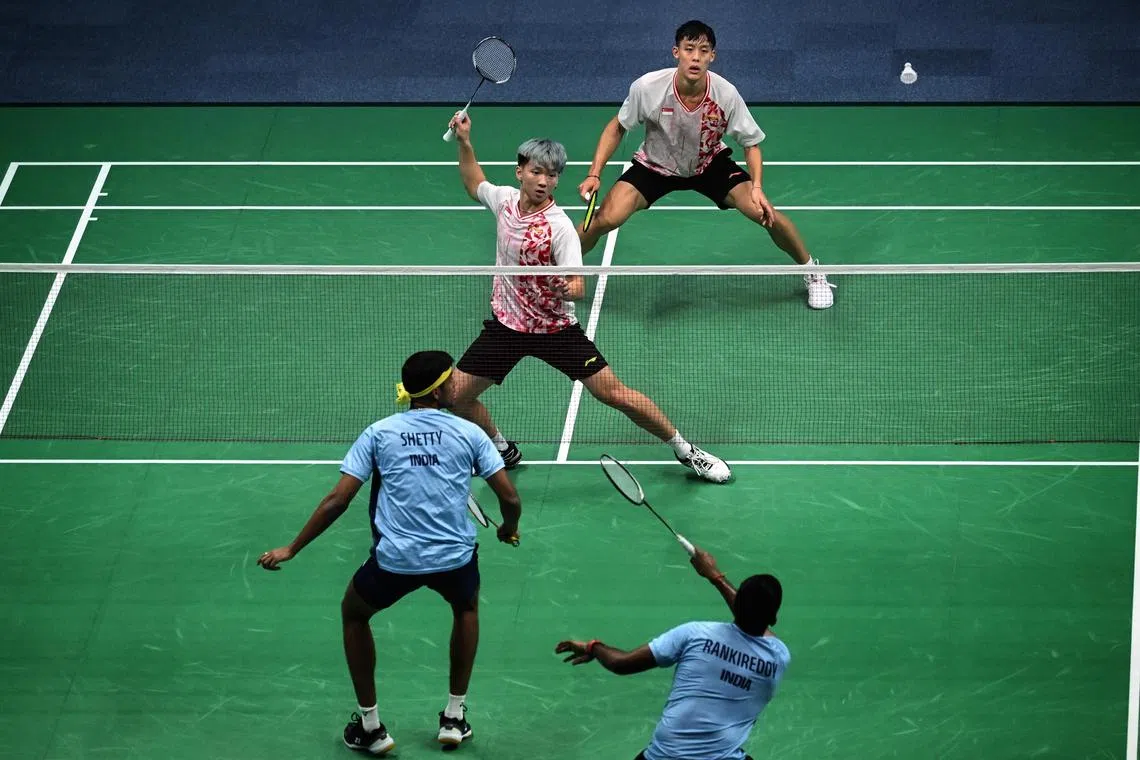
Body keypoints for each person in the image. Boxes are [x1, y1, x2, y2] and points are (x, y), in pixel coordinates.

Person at [445, 110, 732, 484]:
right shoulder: (503, 201)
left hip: (556, 330)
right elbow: (474, 183)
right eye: (537, 171)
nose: (544, 181)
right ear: (520, 172)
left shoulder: (560, 227)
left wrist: (570, 288)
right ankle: (501, 448)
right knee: (455, 396)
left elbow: (577, 283)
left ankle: (686, 449)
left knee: (614, 393)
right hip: (507, 327)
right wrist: (465, 143)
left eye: (552, 174)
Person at [257, 350, 522, 755]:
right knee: (465, 610)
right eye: (452, 380)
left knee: (354, 612)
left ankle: (371, 727)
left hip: (395, 561)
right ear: (439, 390)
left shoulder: (379, 433)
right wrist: (508, 528)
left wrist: (292, 548)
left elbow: (336, 501)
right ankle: (454, 718)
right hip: (455, 559)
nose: (457, 385)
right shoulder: (471, 434)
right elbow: (510, 497)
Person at [576, 19, 835, 310]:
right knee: (605, 218)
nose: (696, 57)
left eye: (703, 50)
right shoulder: (648, 88)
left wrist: (757, 187)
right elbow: (617, 127)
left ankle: (813, 271)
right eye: (689, 49)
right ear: (676, 52)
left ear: (713, 55)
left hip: (708, 163)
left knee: (765, 213)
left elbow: (751, 144)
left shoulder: (725, 94)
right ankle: (553, 274)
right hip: (656, 165)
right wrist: (594, 173)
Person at [555, 547, 789, 760]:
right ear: (773, 618)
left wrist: (593, 647)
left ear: (737, 606)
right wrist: (715, 577)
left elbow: (620, 664)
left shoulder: (695, 634)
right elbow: (756, 623)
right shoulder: (777, 657)